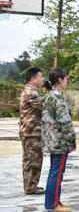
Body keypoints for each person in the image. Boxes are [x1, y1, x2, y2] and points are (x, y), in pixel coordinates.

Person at [42, 68, 76, 212]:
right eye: (65, 78)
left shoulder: (49, 95)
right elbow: (65, 121)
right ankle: (54, 204)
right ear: (60, 80)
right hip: (59, 141)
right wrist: (71, 141)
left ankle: (53, 202)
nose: (66, 81)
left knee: (54, 171)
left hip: (51, 139)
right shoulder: (59, 97)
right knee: (57, 172)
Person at [19, 67, 46, 195]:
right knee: (33, 161)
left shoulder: (33, 90)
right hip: (31, 132)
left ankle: (31, 186)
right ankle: (30, 187)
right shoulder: (31, 92)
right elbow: (45, 105)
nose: (43, 80)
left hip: (31, 131)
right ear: (33, 79)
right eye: (40, 77)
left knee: (32, 159)